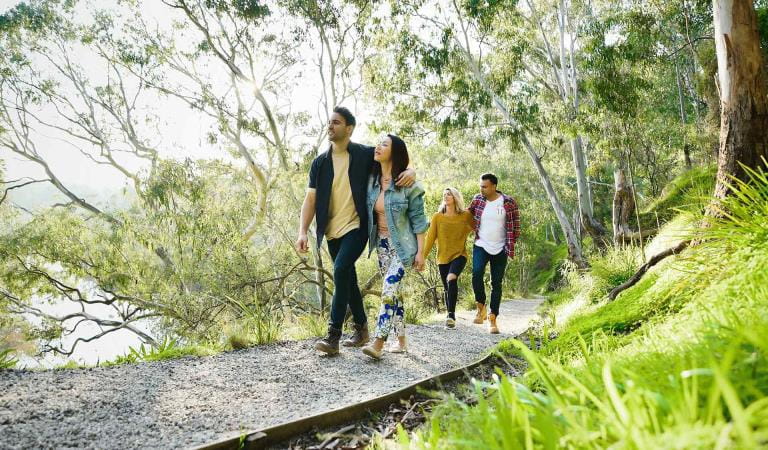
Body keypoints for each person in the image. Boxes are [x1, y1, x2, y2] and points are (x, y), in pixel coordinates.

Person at [296, 107, 415, 355]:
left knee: (340, 269)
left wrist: (410, 171)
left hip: (358, 226)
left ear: (349, 128)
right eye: (329, 122)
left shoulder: (363, 154)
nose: (331, 126)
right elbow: (310, 200)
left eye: (336, 123)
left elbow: (393, 157)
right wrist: (303, 231)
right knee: (347, 277)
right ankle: (362, 329)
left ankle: (333, 336)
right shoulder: (320, 163)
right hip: (331, 231)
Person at [360, 134, 428, 360]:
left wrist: (421, 252)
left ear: (395, 152)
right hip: (381, 245)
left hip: (403, 247)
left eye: (384, 144)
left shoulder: (409, 185)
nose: (377, 147)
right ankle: (401, 342)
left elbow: (419, 220)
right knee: (395, 295)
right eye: (378, 143)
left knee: (388, 290)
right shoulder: (373, 179)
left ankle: (378, 343)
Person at [467, 173, 521, 334]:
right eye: (481, 186)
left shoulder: (509, 202)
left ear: (494, 186)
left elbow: (516, 226)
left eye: (485, 186)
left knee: (496, 283)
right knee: (476, 273)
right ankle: (480, 307)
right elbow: (466, 216)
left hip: (501, 248)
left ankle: (492, 318)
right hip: (481, 244)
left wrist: (510, 242)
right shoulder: (477, 200)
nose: (481, 189)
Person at [423, 187, 474, 329]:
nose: (446, 196)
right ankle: (449, 316)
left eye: (449, 194)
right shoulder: (437, 217)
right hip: (442, 257)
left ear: (455, 198)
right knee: (447, 287)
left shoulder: (465, 216)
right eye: (444, 194)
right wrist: (422, 257)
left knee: (451, 278)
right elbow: (430, 239)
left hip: (459, 255)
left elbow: (478, 228)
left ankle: (451, 315)